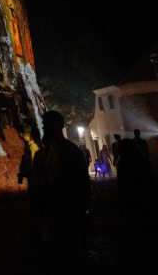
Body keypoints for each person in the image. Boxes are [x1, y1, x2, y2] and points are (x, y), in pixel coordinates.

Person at [32, 110, 90, 261]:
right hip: (54, 210)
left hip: (66, 210)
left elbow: (81, 183)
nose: (43, 129)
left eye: (45, 126)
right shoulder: (48, 151)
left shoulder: (70, 151)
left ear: (56, 126)